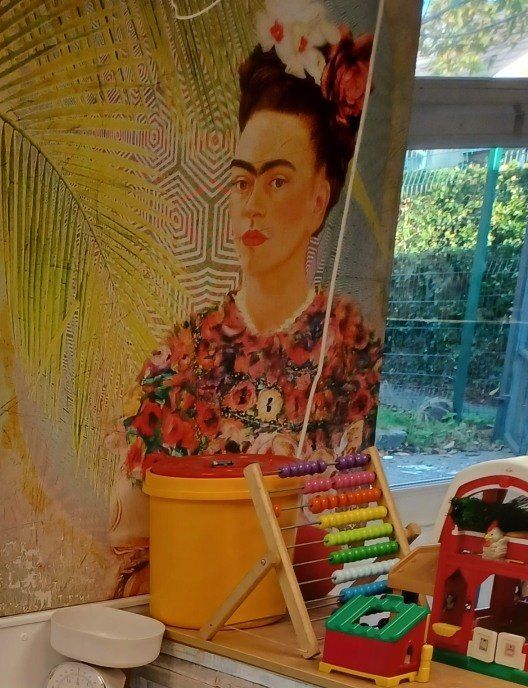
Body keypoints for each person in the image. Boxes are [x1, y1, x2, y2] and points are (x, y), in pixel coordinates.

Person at [108, 6, 379, 597]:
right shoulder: (181, 357)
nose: (252, 204)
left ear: (318, 199)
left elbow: (354, 535)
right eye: (242, 180)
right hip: (194, 616)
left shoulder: (353, 351)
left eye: (277, 180)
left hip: (299, 620)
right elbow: (130, 532)